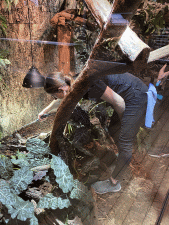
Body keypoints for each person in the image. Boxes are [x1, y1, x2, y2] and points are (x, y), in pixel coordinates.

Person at [38, 65, 169, 194]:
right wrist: (46, 110)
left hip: (134, 96)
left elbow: (118, 102)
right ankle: (122, 161)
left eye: (55, 95)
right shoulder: (73, 84)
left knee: (125, 140)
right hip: (126, 95)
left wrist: (126, 123)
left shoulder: (88, 84)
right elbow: (63, 100)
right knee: (114, 130)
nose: (55, 98)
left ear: (61, 88)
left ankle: (114, 183)